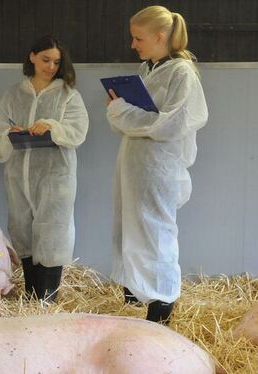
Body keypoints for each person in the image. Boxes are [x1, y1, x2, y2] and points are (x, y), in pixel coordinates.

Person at [106, 6, 208, 324]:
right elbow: (135, 121)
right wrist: (121, 112)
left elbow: (172, 125)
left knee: (156, 234)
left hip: (158, 168)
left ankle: (162, 303)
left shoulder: (181, 72)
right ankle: (140, 293)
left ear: (160, 36)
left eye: (139, 38)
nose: (134, 45)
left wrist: (120, 111)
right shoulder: (148, 69)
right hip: (137, 165)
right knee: (134, 229)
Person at [0, 35, 89, 303]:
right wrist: (10, 131)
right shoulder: (13, 94)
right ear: (32, 57)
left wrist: (52, 126)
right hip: (19, 176)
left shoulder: (68, 96)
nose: (51, 67)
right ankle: (32, 299)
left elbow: (77, 132)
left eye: (56, 62)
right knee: (23, 231)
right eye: (45, 60)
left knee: (53, 233)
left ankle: (48, 302)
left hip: (56, 177)